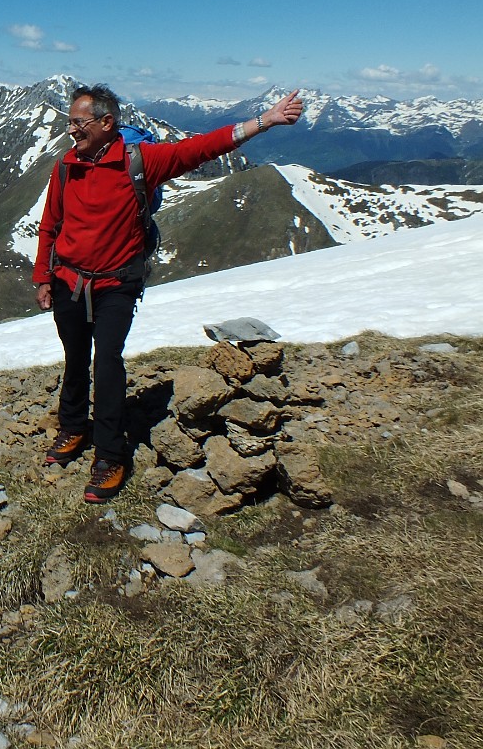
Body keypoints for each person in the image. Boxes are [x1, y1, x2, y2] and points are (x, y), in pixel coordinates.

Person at [33, 84, 304, 503]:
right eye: (70, 121)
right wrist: (43, 278)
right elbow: (50, 223)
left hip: (116, 285)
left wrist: (265, 122)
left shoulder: (140, 161)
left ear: (107, 123)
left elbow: (202, 148)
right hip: (69, 281)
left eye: (78, 122)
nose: (71, 130)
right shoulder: (67, 166)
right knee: (75, 358)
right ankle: (71, 428)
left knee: (106, 362)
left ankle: (109, 456)